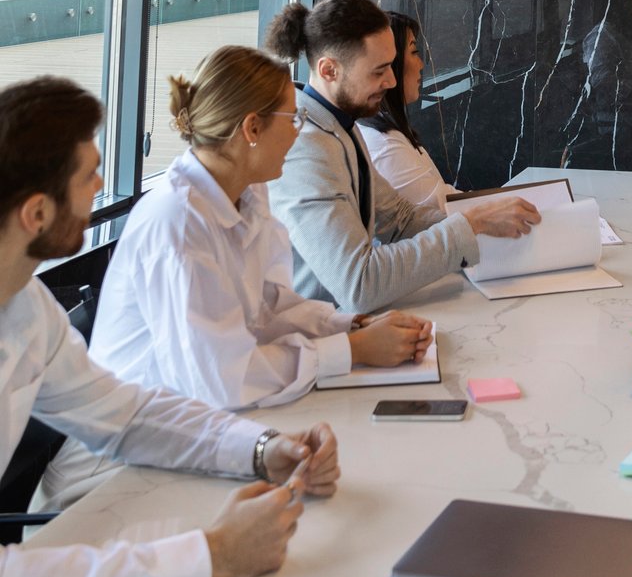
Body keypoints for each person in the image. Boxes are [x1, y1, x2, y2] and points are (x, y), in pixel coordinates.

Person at [0, 76, 338, 577]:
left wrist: (261, 448)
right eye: (89, 176)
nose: (102, 186)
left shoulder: (27, 305)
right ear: (36, 212)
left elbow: (126, 415)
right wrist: (214, 555)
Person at [42, 46, 431, 510]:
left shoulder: (247, 191)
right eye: (292, 117)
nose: (299, 130)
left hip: (195, 433)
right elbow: (221, 380)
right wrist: (352, 350)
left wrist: (351, 325)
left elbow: (269, 305)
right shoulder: (177, 222)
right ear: (252, 128)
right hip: (110, 473)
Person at [266, 0, 539, 308]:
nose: (392, 81)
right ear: (329, 70)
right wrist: (470, 224)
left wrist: (482, 221)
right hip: (313, 330)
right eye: (378, 70)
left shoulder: (341, 124)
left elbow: (399, 219)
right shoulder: (304, 149)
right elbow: (359, 284)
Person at [360, 10, 455, 216]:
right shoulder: (383, 145)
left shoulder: (384, 130)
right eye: (414, 52)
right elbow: (444, 210)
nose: (421, 64)